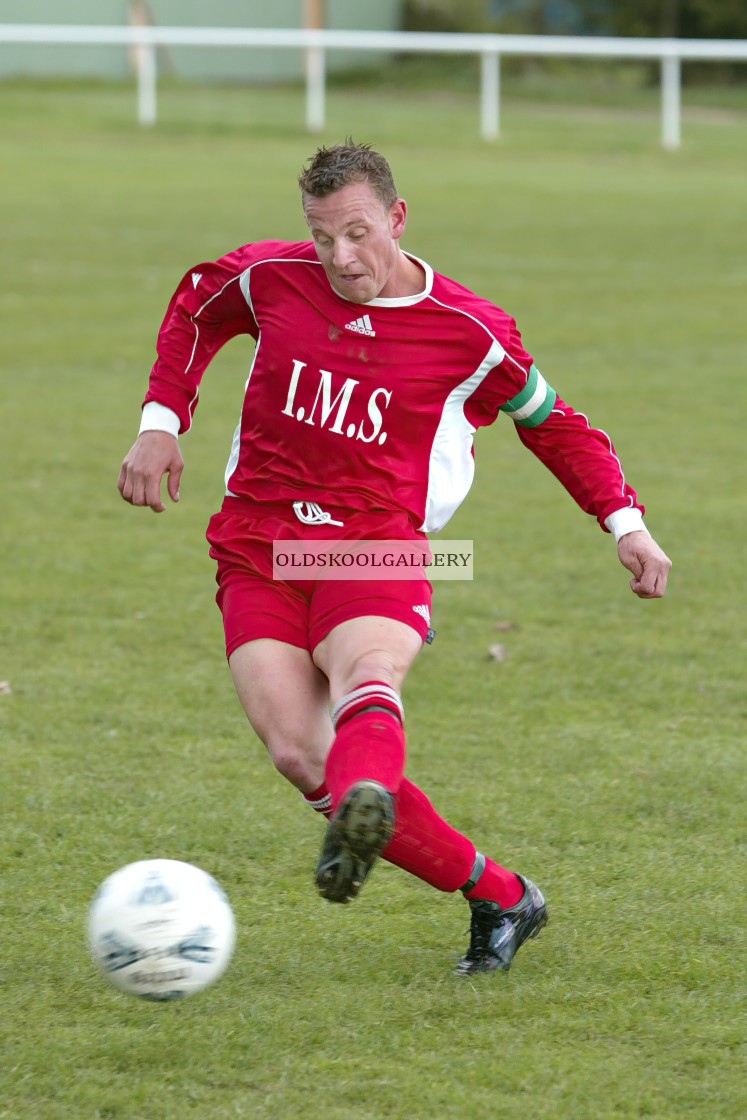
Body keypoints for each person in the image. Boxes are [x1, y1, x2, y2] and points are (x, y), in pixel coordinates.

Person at [118, 141, 671, 976]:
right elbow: (198, 302)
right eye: (321, 236)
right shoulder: (270, 277)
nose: (339, 257)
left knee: (365, 678)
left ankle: (366, 792)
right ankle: (502, 895)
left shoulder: (470, 332)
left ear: (396, 217)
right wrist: (162, 419)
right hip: (258, 545)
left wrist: (623, 522)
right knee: (301, 756)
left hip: (376, 547)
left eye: (356, 233)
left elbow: (552, 423)